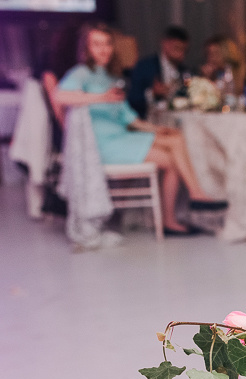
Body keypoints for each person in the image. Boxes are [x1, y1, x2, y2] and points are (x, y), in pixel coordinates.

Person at [56, 23, 225, 238]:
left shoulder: (108, 76)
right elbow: (59, 96)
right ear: (87, 49)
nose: (104, 49)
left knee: (174, 140)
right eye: (96, 44)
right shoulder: (82, 73)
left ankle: (173, 217)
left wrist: (157, 129)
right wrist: (100, 98)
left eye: (107, 44)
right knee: (173, 151)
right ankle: (195, 196)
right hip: (102, 145)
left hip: (121, 136)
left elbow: (128, 117)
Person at [126, 25, 192, 118]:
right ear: (165, 44)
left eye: (184, 50)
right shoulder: (145, 67)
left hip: (178, 119)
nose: (181, 54)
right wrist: (153, 94)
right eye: (177, 48)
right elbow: (133, 99)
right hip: (149, 119)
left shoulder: (185, 71)